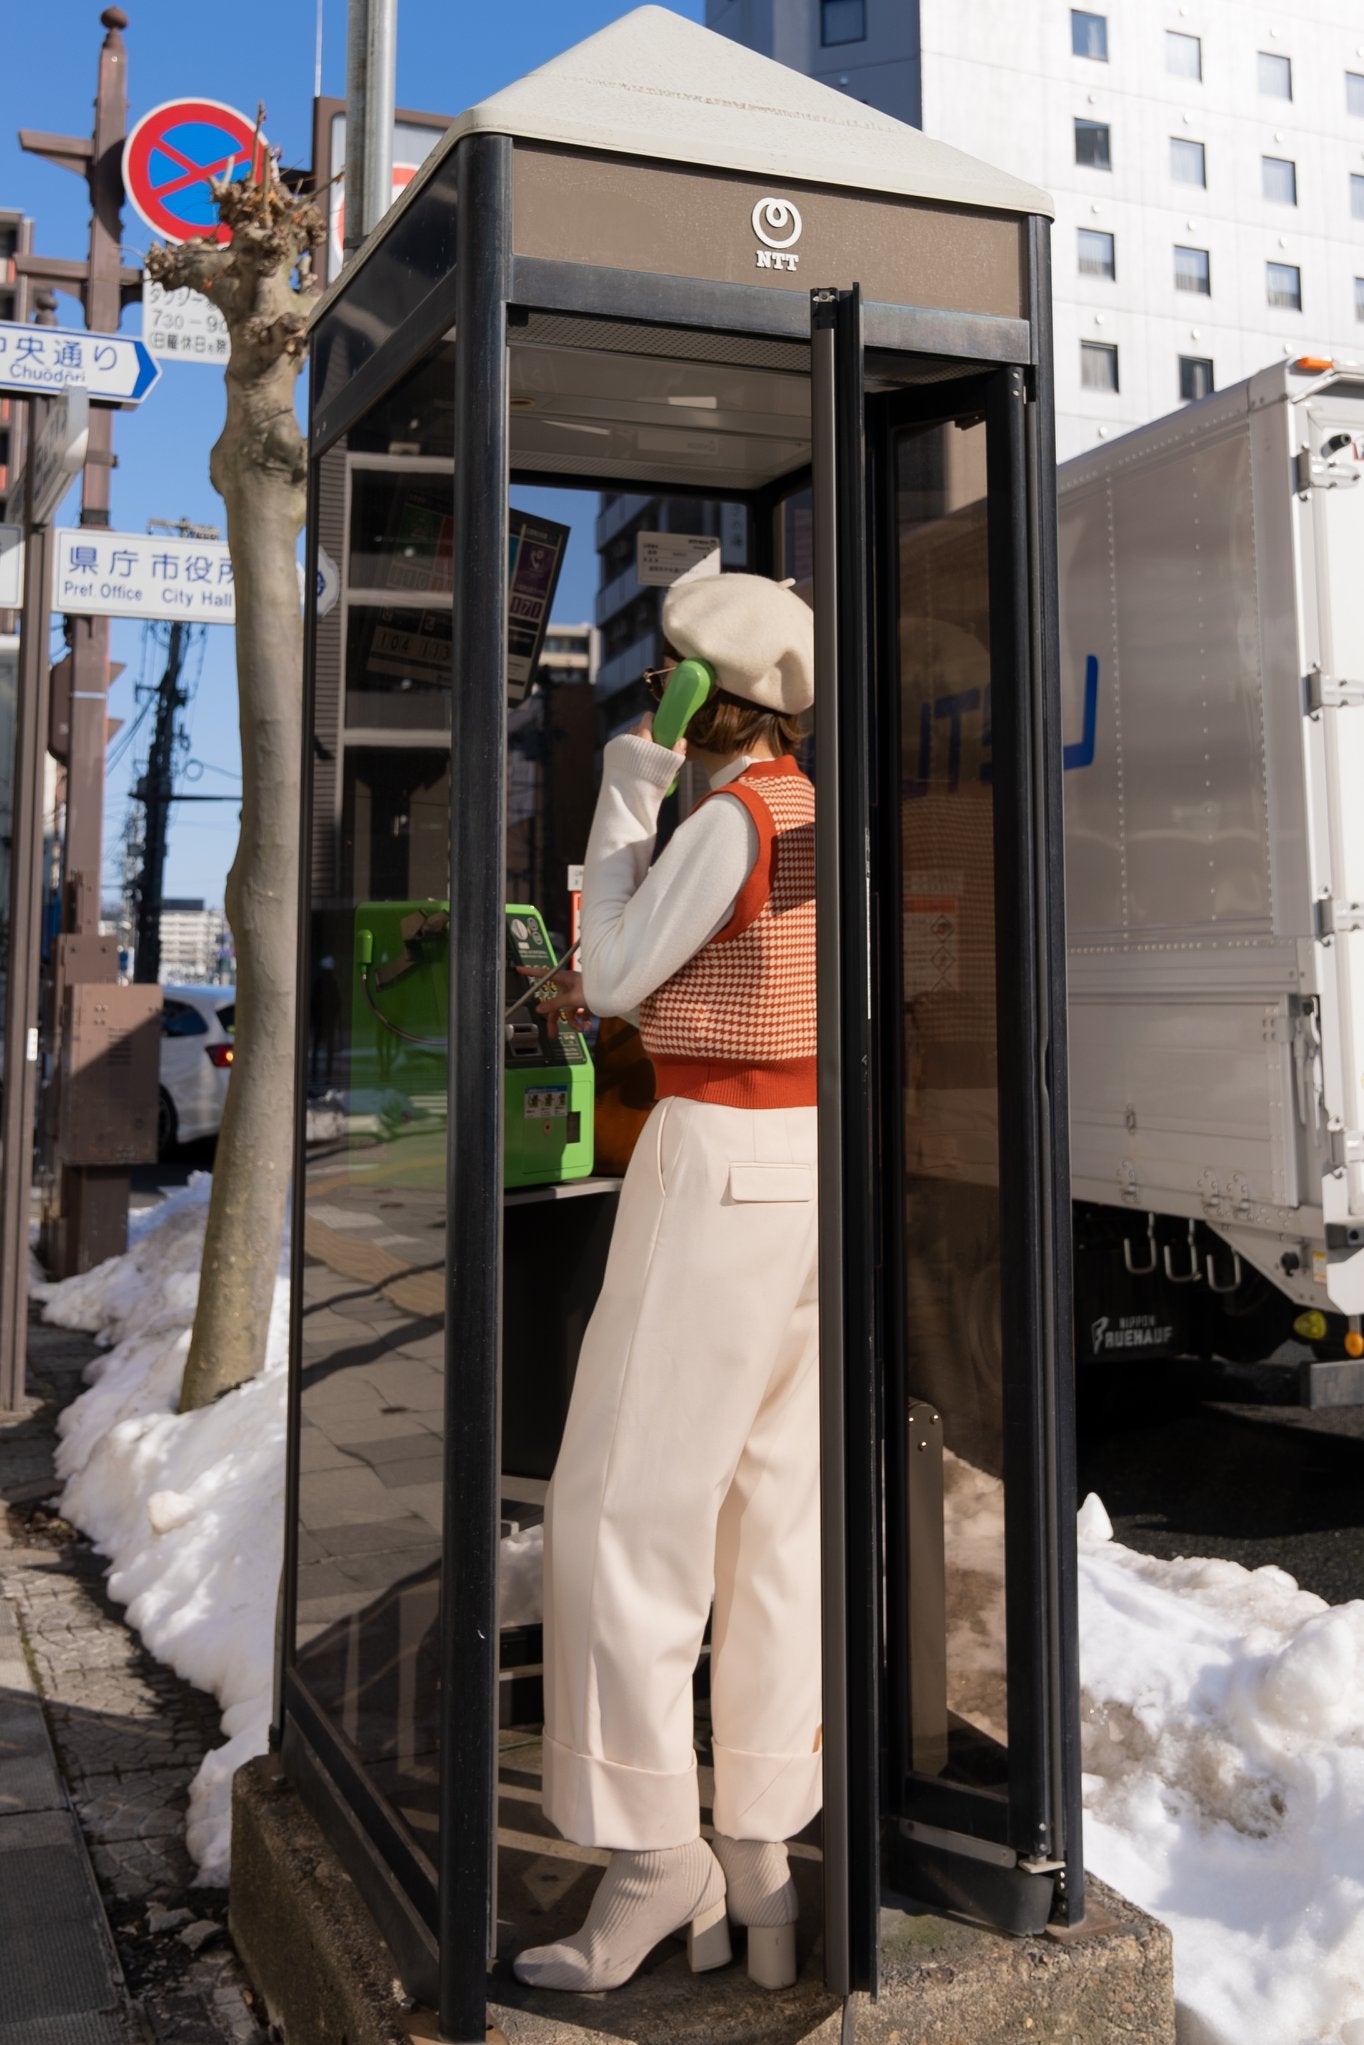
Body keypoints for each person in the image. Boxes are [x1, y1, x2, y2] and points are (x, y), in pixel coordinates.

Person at [514, 572, 819, 1996]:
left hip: (712, 1158)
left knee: (621, 1509)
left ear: (699, 693)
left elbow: (619, 973)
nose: (655, 704)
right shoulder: (814, 813)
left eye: (666, 685)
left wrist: (628, 787)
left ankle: (651, 1857)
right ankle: (759, 1848)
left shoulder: (727, 818)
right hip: (812, 1168)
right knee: (771, 1517)